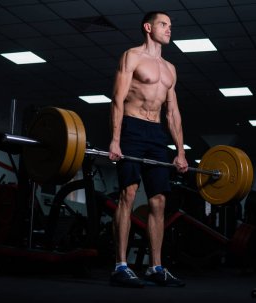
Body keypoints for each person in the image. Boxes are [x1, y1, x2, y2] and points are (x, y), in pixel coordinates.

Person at [108, 11, 188, 288]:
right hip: (131, 127)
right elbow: (117, 99)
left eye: (170, 26)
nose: (169, 29)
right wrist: (116, 140)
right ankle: (120, 265)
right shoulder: (132, 57)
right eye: (163, 24)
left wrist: (180, 151)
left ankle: (156, 267)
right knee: (128, 194)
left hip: (156, 135)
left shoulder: (170, 69)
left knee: (159, 201)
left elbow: (173, 112)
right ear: (148, 27)